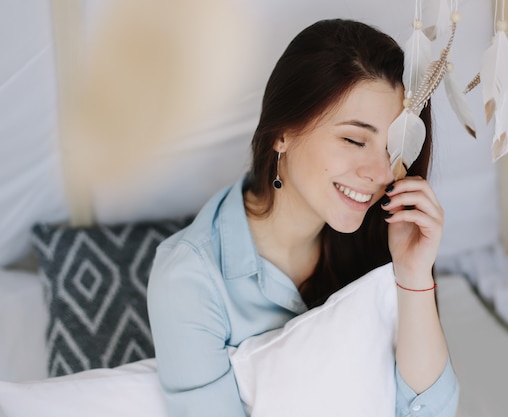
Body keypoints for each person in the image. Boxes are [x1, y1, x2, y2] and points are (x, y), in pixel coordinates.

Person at [147, 18, 459, 417]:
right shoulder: (190, 281)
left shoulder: (383, 238)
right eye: (353, 139)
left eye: (393, 149)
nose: (381, 174)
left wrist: (414, 276)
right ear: (282, 133)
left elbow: (430, 411)